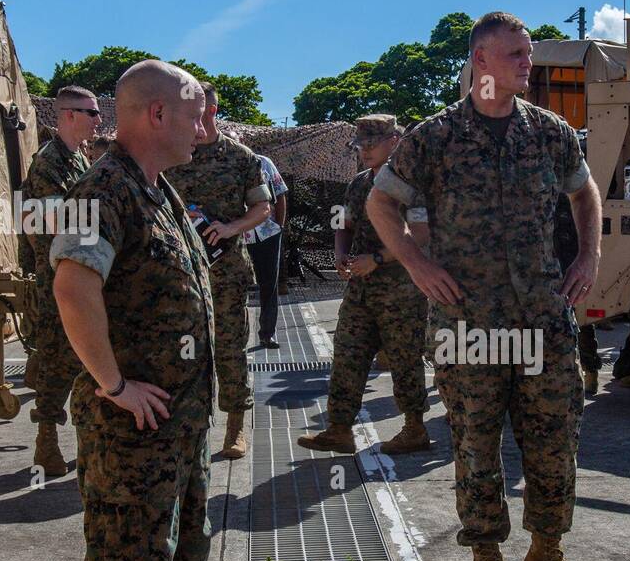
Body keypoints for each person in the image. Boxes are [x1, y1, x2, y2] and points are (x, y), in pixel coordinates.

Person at [368, 11, 603, 561]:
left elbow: (585, 191)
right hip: (467, 324)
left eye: (527, 53)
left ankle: (545, 556)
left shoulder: (551, 132)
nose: (528, 62)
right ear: (480, 61)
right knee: (476, 447)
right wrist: (417, 265)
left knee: (555, 443)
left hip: (542, 321)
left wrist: (588, 256)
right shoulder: (435, 137)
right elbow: (380, 203)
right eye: (516, 54)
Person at [51, 60, 240, 561]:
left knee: (184, 547)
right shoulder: (104, 190)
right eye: (197, 113)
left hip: (178, 426)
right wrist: (113, 382)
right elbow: (74, 287)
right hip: (130, 429)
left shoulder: (156, 190)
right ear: (156, 115)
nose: (206, 127)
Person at [297, 115, 433, 455]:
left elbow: (421, 235)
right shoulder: (358, 183)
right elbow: (341, 222)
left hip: (402, 290)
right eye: (360, 146)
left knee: (405, 360)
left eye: (371, 145)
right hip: (360, 289)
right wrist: (341, 254)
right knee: (347, 355)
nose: (364, 152)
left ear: (394, 141)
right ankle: (339, 429)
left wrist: (377, 258)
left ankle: (415, 428)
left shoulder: (412, 182)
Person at [166, 84, 271, 460]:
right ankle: (186, 426)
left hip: (226, 271)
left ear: (214, 109)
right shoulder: (175, 154)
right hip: (182, 273)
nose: (196, 118)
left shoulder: (241, 157)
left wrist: (230, 227)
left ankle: (235, 428)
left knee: (230, 350)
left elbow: (263, 209)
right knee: (183, 351)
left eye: (202, 109)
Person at [22, 85, 99, 476]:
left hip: (78, 273)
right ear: (68, 114)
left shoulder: (78, 159)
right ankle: (46, 440)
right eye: (91, 112)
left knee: (83, 356)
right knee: (57, 358)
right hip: (56, 278)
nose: (98, 120)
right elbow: (54, 221)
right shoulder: (48, 163)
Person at [552, 189, 602, 395]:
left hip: (566, 253)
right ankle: (590, 372)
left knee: (578, 315)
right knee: (579, 316)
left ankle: (589, 371)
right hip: (562, 252)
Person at [246, 152, 289, 348]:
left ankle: (267, 333)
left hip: (267, 232)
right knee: (236, 285)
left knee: (269, 285)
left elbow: (280, 194)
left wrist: (279, 227)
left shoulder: (264, 163)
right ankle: (237, 335)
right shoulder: (220, 163)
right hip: (237, 234)